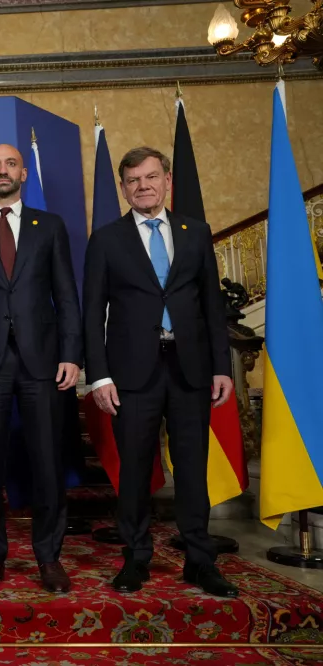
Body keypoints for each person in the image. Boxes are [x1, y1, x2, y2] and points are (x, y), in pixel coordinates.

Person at [82, 147, 237, 598]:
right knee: (134, 469)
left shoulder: (195, 233)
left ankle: (199, 561)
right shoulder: (107, 240)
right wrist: (100, 375)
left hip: (190, 370)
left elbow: (211, 305)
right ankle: (136, 558)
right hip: (131, 374)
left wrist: (220, 367)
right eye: (133, 180)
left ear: (167, 180)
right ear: (123, 187)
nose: (143, 186)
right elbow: (93, 314)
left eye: (151, 177)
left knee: (192, 469)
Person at [0, 144, 81, 594]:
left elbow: (66, 296)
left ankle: (49, 557)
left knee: (47, 461)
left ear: (22, 171)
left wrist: (70, 353)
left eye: (9, 164)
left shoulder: (51, 227)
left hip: (42, 360)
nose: (2, 171)